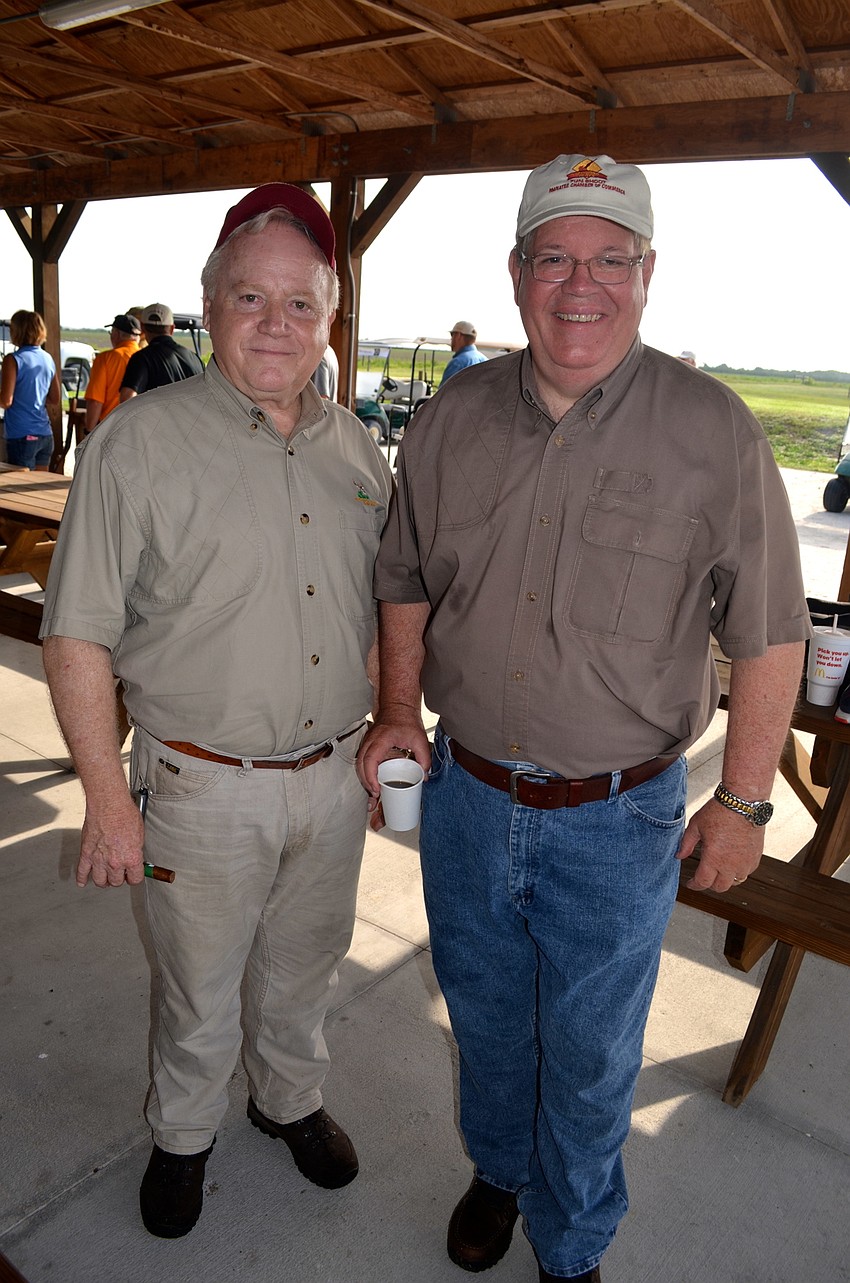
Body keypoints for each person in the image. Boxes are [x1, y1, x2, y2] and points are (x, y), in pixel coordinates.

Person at [358, 154, 810, 1282]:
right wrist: (395, 712)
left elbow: (767, 629)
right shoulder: (452, 416)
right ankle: (499, 1168)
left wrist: (747, 799)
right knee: (487, 1014)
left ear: (647, 272)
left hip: (619, 818)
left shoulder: (713, 430)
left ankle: (572, 1241)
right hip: (464, 795)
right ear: (516, 272)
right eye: (554, 255)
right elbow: (405, 575)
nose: (581, 284)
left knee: (596, 1049)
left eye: (611, 258)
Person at [41, 182, 392, 1241]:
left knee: (305, 965)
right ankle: (183, 1134)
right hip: (200, 786)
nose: (276, 322)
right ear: (210, 304)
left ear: (328, 316)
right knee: (196, 989)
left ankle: (286, 1099)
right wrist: (107, 798)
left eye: (299, 302)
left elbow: (384, 610)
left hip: (332, 779)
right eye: (251, 298)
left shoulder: (359, 450)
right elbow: (77, 634)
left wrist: (390, 731)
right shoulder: (135, 446)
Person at [0, 310, 61, 470]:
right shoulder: (48, 358)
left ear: (17, 331)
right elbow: (55, 399)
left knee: (18, 490)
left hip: (22, 434)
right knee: (37, 490)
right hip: (45, 434)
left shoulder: (13, 359)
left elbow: (5, 401)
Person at [119, 302, 203, 400]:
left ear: (142, 328)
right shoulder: (194, 358)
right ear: (172, 328)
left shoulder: (141, 358)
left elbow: (127, 397)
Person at [84, 313, 142, 431]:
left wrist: (88, 432)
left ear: (116, 334)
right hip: (139, 429)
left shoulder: (106, 358)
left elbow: (95, 401)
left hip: (110, 428)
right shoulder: (146, 357)